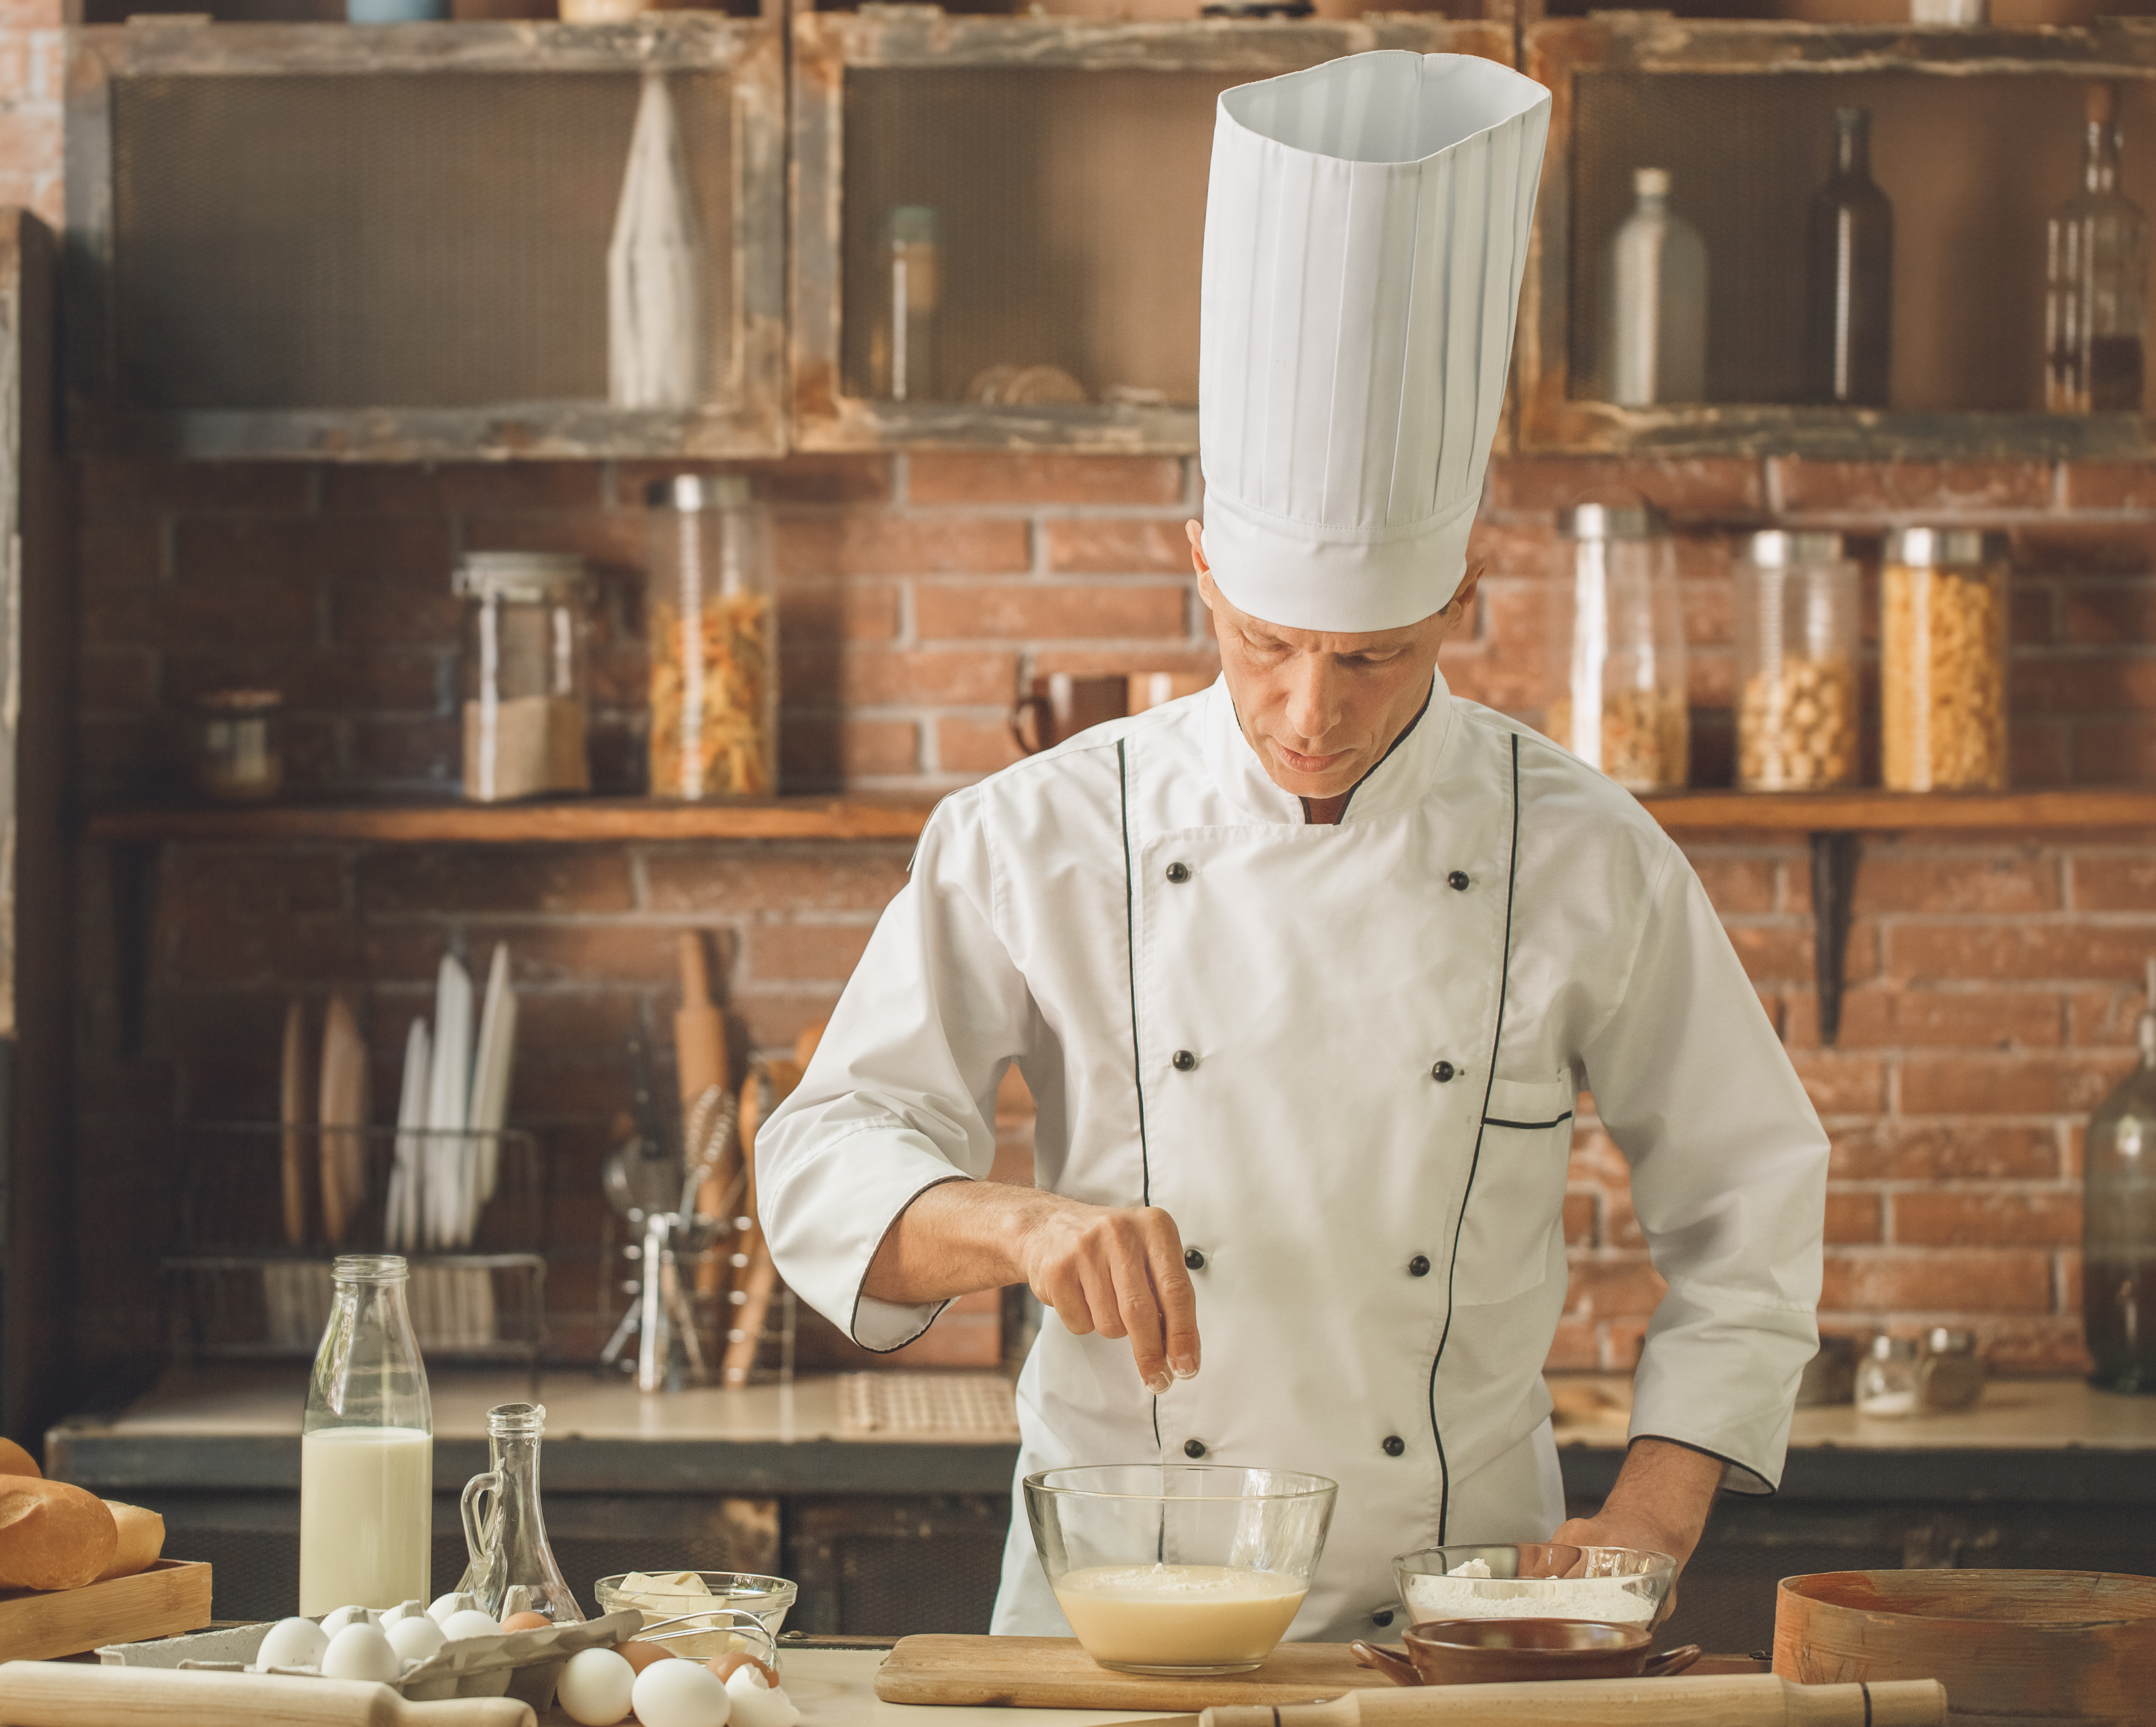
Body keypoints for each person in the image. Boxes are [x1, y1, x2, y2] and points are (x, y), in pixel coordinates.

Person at [754, 48, 1827, 1640]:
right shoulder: (1037, 830)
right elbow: (822, 1159)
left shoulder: (1584, 852)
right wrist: (1020, 1222)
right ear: (1200, 568)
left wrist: (1647, 1523)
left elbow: (1750, 1199)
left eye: (1373, 653)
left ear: (1463, 599)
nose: (1308, 707)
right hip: (1104, 1611)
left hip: (1458, 1621)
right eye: (1264, 642)